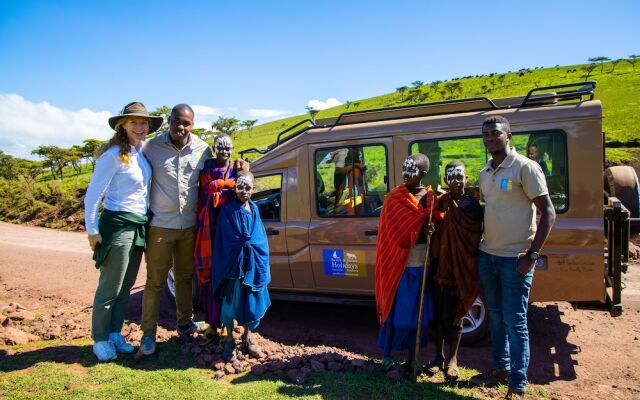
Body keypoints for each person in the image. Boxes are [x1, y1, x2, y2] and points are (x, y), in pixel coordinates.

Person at [470, 116, 556, 400]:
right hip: (488, 255)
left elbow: (548, 212)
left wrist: (531, 255)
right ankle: (500, 369)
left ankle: (518, 385)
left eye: (496, 133)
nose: (490, 138)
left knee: (514, 321)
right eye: (486, 134)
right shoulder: (485, 172)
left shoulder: (525, 167)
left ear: (508, 136)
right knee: (495, 317)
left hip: (515, 258)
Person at [84, 101, 162, 361]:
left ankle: (115, 333)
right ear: (123, 125)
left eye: (143, 123)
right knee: (110, 286)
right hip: (117, 225)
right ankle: (100, 338)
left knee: (126, 285)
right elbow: (94, 194)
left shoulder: (140, 153)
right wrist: (92, 229)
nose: (140, 127)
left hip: (138, 225)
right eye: (134, 122)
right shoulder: (114, 154)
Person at [138, 104, 213, 357]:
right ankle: (148, 335)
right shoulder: (151, 147)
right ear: (169, 121)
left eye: (186, 123)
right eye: (176, 121)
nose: (180, 127)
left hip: (190, 227)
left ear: (193, 124)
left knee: (184, 277)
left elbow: (214, 175)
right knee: (155, 282)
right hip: (160, 226)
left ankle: (185, 324)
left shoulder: (203, 149)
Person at [374, 153, 441, 373]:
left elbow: (435, 220)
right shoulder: (394, 198)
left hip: (421, 261)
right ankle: (387, 355)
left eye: (411, 170)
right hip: (398, 264)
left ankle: (414, 357)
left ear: (423, 173)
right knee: (395, 308)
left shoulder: (430, 199)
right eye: (404, 168)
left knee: (417, 311)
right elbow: (389, 233)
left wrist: (430, 228)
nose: (406, 173)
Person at [427, 160, 483, 380]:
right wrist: (429, 228)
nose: (456, 181)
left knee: (457, 315)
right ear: (445, 181)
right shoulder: (439, 203)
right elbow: (433, 228)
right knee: (439, 316)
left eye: (459, 177)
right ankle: (438, 357)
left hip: (464, 266)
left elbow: (475, 235)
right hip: (441, 267)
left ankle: (453, 360)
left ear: (466, 179)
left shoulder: (473, 206)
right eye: (451, 177)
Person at [208, 170, 271, 362]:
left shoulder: (255, 209)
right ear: (235, 188)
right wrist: (239, 248)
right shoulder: (227, 211)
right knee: (231, 305)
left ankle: (247, 337)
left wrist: (253, 251)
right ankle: (229, 339)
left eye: (248, 187)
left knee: (250, 302)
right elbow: (224, 241)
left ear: (253, 189)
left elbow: (260, 238)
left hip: (251, 266)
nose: (244, 191)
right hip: (233, 268)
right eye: (240, 187)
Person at [194, 133, 248, 342]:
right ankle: (211, 324)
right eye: (220, 147)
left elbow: (241, 190)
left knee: (229, 276)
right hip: (209, 227)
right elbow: (208, 195)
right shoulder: (207, 169)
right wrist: (228, 187)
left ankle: (227, 323)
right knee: (210, 277)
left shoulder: (236, 169)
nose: (224, 151)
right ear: (214, 148)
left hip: (229, 230)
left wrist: (224, 186)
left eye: (227, 147)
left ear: (232, 148)